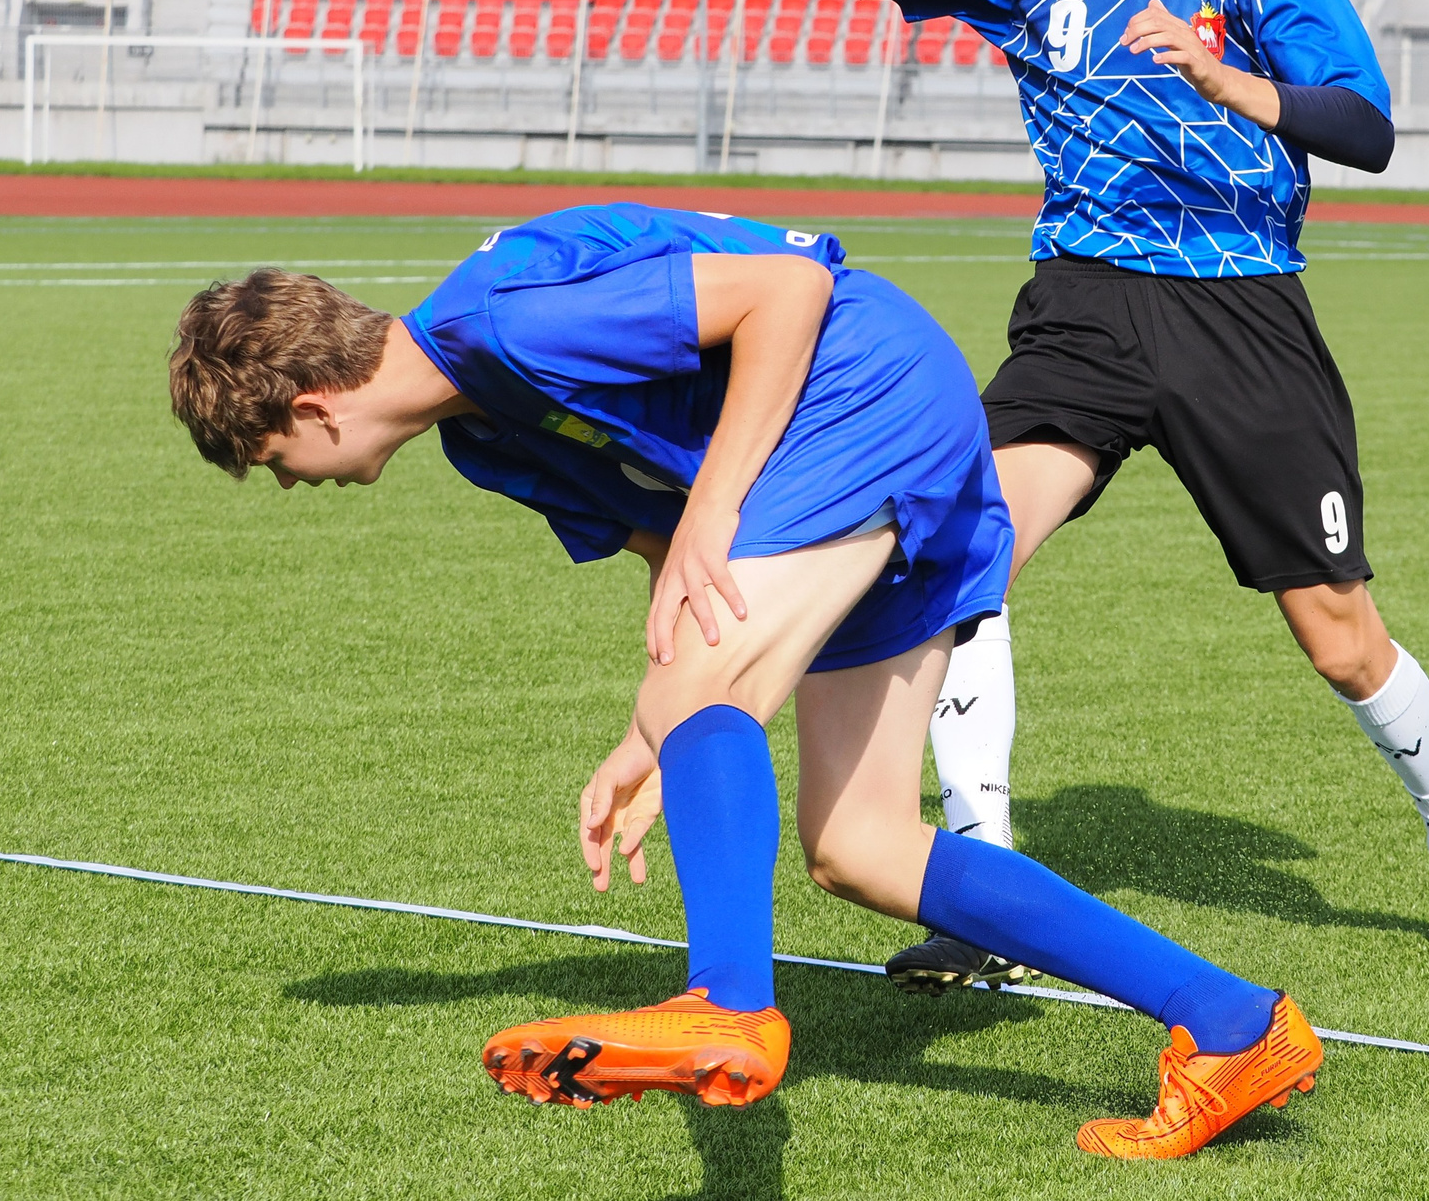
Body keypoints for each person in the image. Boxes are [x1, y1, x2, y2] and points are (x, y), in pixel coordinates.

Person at [165, 203, 1322, 1159]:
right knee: (861, 848)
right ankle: (1231, 1026)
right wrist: (645, 728)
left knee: (702, 703)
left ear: (310, 408)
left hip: (858, 388)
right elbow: (678, 571)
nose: (287, 485)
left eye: (272, 461)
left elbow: (786, 292)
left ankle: (725, 1002)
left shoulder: (504, 326)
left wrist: (712, 540)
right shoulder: (483, 437)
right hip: (824, 452)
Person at [801, 0, 1429, 981]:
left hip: (1239, 315)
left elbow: (1364, 127)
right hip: (1081, 309)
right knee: (964, 555)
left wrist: (1241, 87)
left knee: (1337, 633)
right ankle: (985, 893)